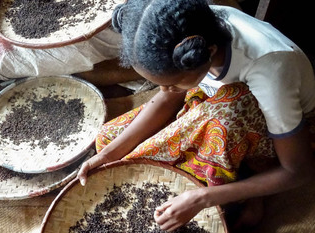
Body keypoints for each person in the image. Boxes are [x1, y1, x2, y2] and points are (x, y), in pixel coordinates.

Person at [76, 0, 315, 231]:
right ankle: (225, 176)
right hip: (217, 103)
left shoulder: (269, 69)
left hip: (275, 132)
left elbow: (298, 170)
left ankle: (250, 184)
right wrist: (108, 154)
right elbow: (168, 98)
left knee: (227, 115)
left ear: (208, 53)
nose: (166, 90)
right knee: (108, 139)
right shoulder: (188, 29)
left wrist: (202, 198)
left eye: (173, 84)